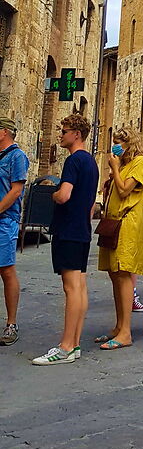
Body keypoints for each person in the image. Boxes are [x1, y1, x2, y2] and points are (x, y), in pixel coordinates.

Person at [31, 115, 98, 365]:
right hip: (81, 229)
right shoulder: (91, 162)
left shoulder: (73, 160)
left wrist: (55, 194)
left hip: (68, 229)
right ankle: (75, 343)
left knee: (70, 288)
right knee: (79, 286)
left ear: (76, 135)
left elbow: (65, 195)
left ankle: (66, 346)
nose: (61, 135)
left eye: (64, 131)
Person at [95, 133, 143, 349]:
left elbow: (124, 189)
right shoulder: (125, 164)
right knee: (114, 273)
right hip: (114, 223)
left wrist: (115, 168)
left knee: (123, 272)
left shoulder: (140, 162)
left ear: (130, 144)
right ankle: (118, 327)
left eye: (119, 143)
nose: (115, 147)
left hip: (128, 224)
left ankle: (126, 331)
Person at [0, 119, 27, 346]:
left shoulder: (16, 157)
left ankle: (11, 323)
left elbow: (16, 190)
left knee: (6, 270)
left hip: (4, 221)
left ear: (4, 132)